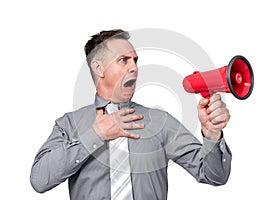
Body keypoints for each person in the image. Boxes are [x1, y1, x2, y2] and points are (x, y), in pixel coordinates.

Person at [30, 29, 232, 200]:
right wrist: (95, 134)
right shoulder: (69, 124)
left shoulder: (160, 122)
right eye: (123, 60)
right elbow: (39, 180)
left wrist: (212, 135)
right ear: (98, 68)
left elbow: (215, 176)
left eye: (135, 60)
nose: (134, 67)